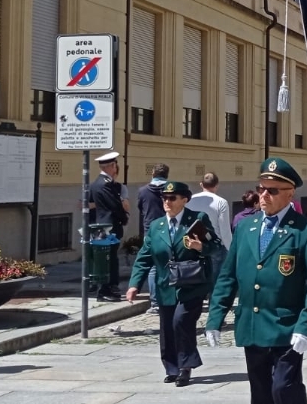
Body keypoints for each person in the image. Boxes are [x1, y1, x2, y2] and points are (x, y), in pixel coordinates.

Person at [206, 158, 307, 404]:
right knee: (260, 393)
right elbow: (228, 275)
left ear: (290, 193)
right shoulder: (246, 227)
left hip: (286, 327)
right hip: (252, 324)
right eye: (261, 188)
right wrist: (215, 317)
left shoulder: (306, 230)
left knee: (284, 388)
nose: (264, 195)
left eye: (272, 191)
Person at [126, 181, 221, 387]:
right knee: (167, 327)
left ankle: (185, 367)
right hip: (165, 284)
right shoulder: (156, 225)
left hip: (192, 283)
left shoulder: (197, 219)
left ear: (184, 200)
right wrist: (134, 284)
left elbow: (215, 246)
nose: (166, 202)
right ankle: (171, 368)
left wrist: (200, 246)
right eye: (164, 198)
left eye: (172, 198)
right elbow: (145, 256)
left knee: (181, 321)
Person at [90, 152, 129, 302]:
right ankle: (105, 290)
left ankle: (110, 288)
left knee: (109, 259)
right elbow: (114, 206)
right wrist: (124, 217)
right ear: (112, 166)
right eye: (115, 165)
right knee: (108, 260)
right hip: (108, 226)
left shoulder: (98, 182)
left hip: (104, 226)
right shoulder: (105, 184)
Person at [188, 172, 232, 285]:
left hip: (193, 243)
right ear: (217, 185)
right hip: (214, 246)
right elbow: (225, 230)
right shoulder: (221, 202)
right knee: (216, 283)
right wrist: (231, 250)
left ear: (201, 184)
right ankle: (213, 301)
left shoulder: (190, 200)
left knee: (194, 280)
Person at [138, 163, 170, 312]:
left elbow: (141, 209)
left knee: (152, 267)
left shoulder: (143, 191)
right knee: (172, 264)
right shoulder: (172, 189)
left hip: (150, 231)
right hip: (170, 229)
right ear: (167, 175)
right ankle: (170, 299)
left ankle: (155, 302)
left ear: (152, 173)